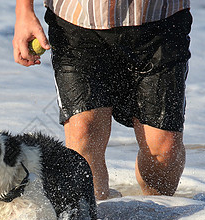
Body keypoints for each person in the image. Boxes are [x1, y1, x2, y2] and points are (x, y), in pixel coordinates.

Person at [13, 0, 192, 200]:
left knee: (163, 151)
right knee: (84, 135)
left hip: (159, 19)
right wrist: (24, 11)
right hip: (76, 21)